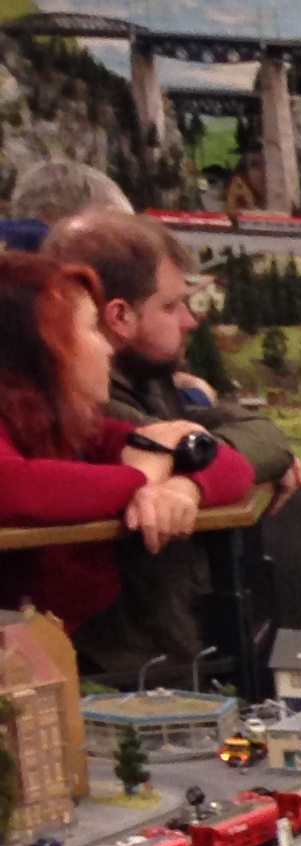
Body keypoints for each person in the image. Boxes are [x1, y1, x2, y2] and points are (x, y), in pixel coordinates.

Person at [38, 209, 301, 683]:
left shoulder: (149, 380)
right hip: (155, 642)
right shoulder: (93, 402)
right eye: (171, 306)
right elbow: (205, 451)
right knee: (297, 521)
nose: (191, 320)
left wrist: (218, 463)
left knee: (299, 519)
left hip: (190, 607)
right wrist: (208, 474)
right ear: (120, 316)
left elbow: (261, 434)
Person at [0, 253, 251, 640]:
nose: (108, 348)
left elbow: (231, 464)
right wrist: (143, 474)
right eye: (90, 330)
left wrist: (183, 488)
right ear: (43, 348)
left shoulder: (72, 428)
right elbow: (15, 487)